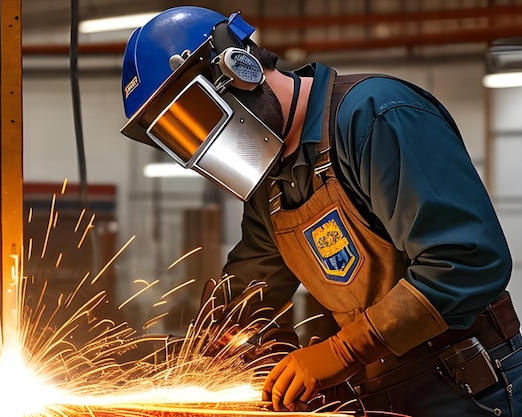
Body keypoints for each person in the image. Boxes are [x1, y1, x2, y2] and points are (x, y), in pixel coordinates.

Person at [119, 6, 522, 416]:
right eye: (178, 136)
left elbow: (468, 261)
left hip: (471, 387)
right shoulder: (269, 184)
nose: (199, 142)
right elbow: (247, 295)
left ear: (238, 68)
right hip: (384, 396)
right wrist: (197, 358)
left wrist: (343, 350)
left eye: (196, 119)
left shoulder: (376, 117)